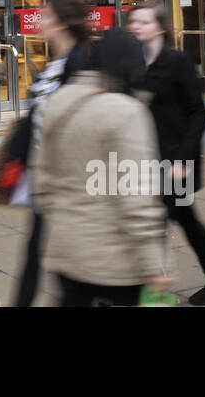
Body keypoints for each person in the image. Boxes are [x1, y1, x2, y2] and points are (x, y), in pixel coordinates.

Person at [33, 29, 170, 306]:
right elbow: (136, 196)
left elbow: (41, 179)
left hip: (66, 251)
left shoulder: (60, 99)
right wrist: (155, 263)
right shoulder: (127, 111)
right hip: (116, 260)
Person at [128, 2, 205, 305]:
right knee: (174, 219)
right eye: (133, 22)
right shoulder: (133, 64)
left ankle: (158, 287)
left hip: (176, 162)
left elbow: (198, 113)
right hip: (147, 159)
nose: (137, 27)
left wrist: (183, 161)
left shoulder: (176, 61)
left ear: (159, 27)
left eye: (144, 22)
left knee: (173, 219)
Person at [11, 0, 90, 307]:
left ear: (60, 22)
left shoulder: (81, 62)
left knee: (53, 258)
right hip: (45, 177)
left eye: (45, 15)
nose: (39, 20)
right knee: (39, 254)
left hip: (67, 180)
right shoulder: (55, 61)